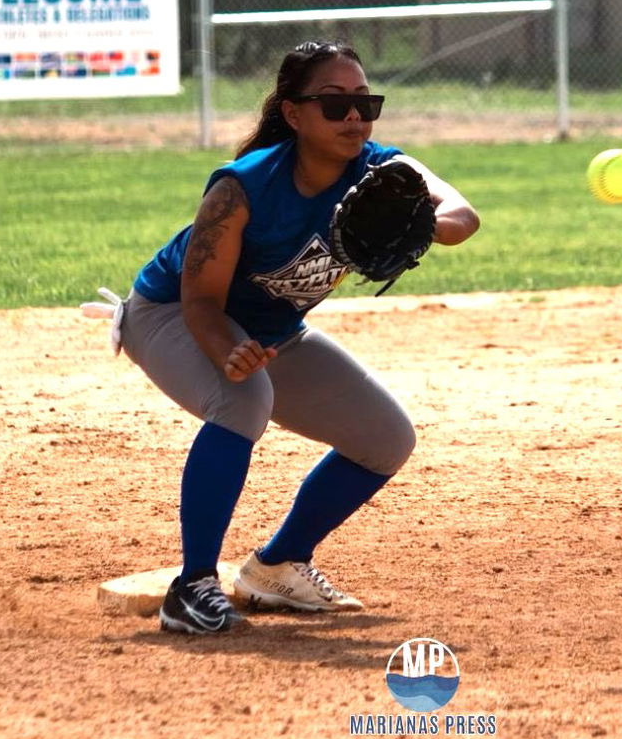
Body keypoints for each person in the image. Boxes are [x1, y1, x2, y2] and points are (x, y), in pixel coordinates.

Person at [118, 39, 480, 634]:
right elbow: (200, 300)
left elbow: (463, 216)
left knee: (386, 438)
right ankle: (191, 587)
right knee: (243, 399)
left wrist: (422, 224)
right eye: (334, 104)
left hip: (272, 330)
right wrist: (225, 352)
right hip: (168, 316)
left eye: (365, 102)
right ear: (293, 113)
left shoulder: (383, 172)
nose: (355, 117)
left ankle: (278, 564)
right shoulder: (242, 188)